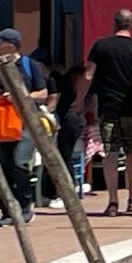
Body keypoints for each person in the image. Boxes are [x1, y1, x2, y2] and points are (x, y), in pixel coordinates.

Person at [86, 10, 132, 216]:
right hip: (131, 109)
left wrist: (83, 101)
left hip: (108, 108)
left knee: (110, 154)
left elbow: (88, 75)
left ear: (115, 24)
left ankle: (112, 201)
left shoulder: (101, 46)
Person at [0, 30, 47, 223]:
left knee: (19, 165)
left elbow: (43, 93)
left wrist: (22, 97)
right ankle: (7, 211)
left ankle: (25, 206)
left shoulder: (30, 66)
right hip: (2, 125)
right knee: (4, 168)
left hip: (25, 126)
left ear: (11, 45)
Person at [48, 61, 91, 203]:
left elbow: (54, 103)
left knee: (63, 156)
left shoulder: (61, 83)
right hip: (77, 121)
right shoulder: (78, 89)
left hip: (69, 121)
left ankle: (67, 190)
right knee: (65, 156)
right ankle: (68, 188)